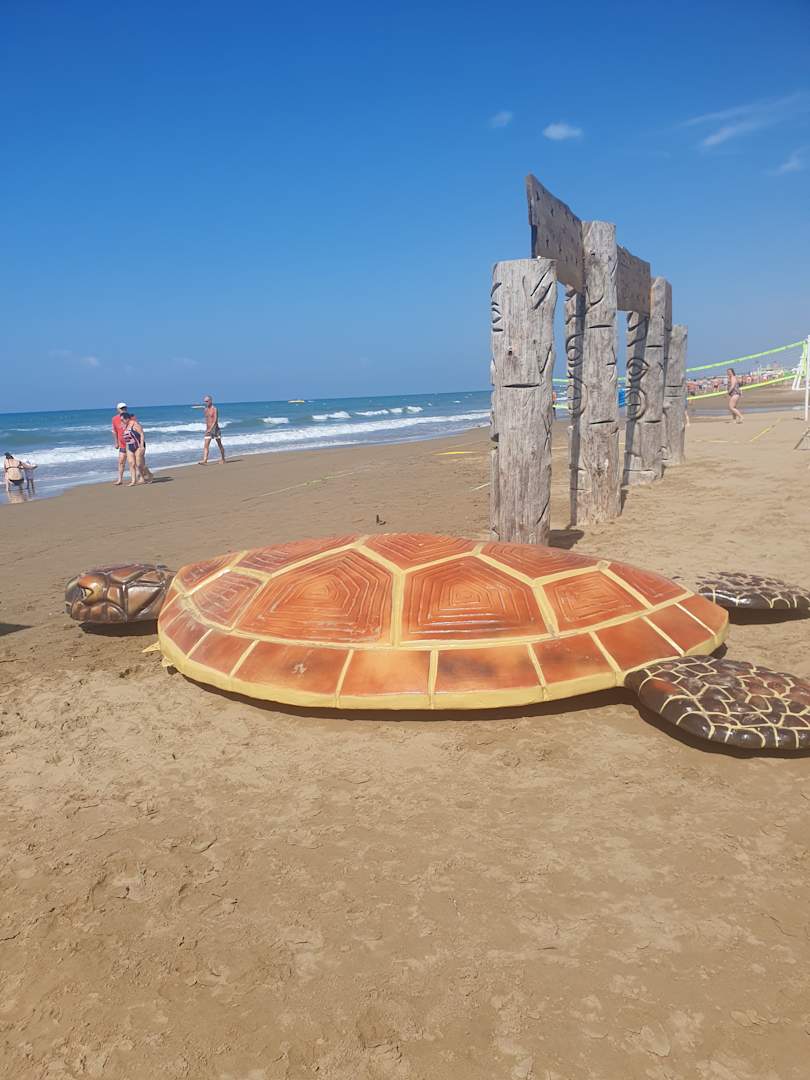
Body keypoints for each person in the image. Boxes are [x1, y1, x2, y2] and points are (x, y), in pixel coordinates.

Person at [196, 394, 226, 464]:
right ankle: (205, 460)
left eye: (206, 401)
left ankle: (223, 459)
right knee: (206, 445)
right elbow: (207, 420)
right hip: (208, 430)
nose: (205, 402)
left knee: (219, 444)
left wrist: (211, 429)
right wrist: (207, 429)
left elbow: (215, 420)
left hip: (215, 430)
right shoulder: (205, 409)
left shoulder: (214, 409)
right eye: (204, 401)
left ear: (210, 401)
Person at [121, 412, 148, 485]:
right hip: (129, 447)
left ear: (127, 419)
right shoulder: (125, 426)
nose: (121, 421)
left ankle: (145, 475)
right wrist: (126, 448)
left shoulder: (135, 424)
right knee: (131, 463)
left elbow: (142, 434)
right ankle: (133, 481)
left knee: (139, 464)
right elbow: (126, 437)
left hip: (138, 446)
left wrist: (142, 445)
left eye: (122, 419)